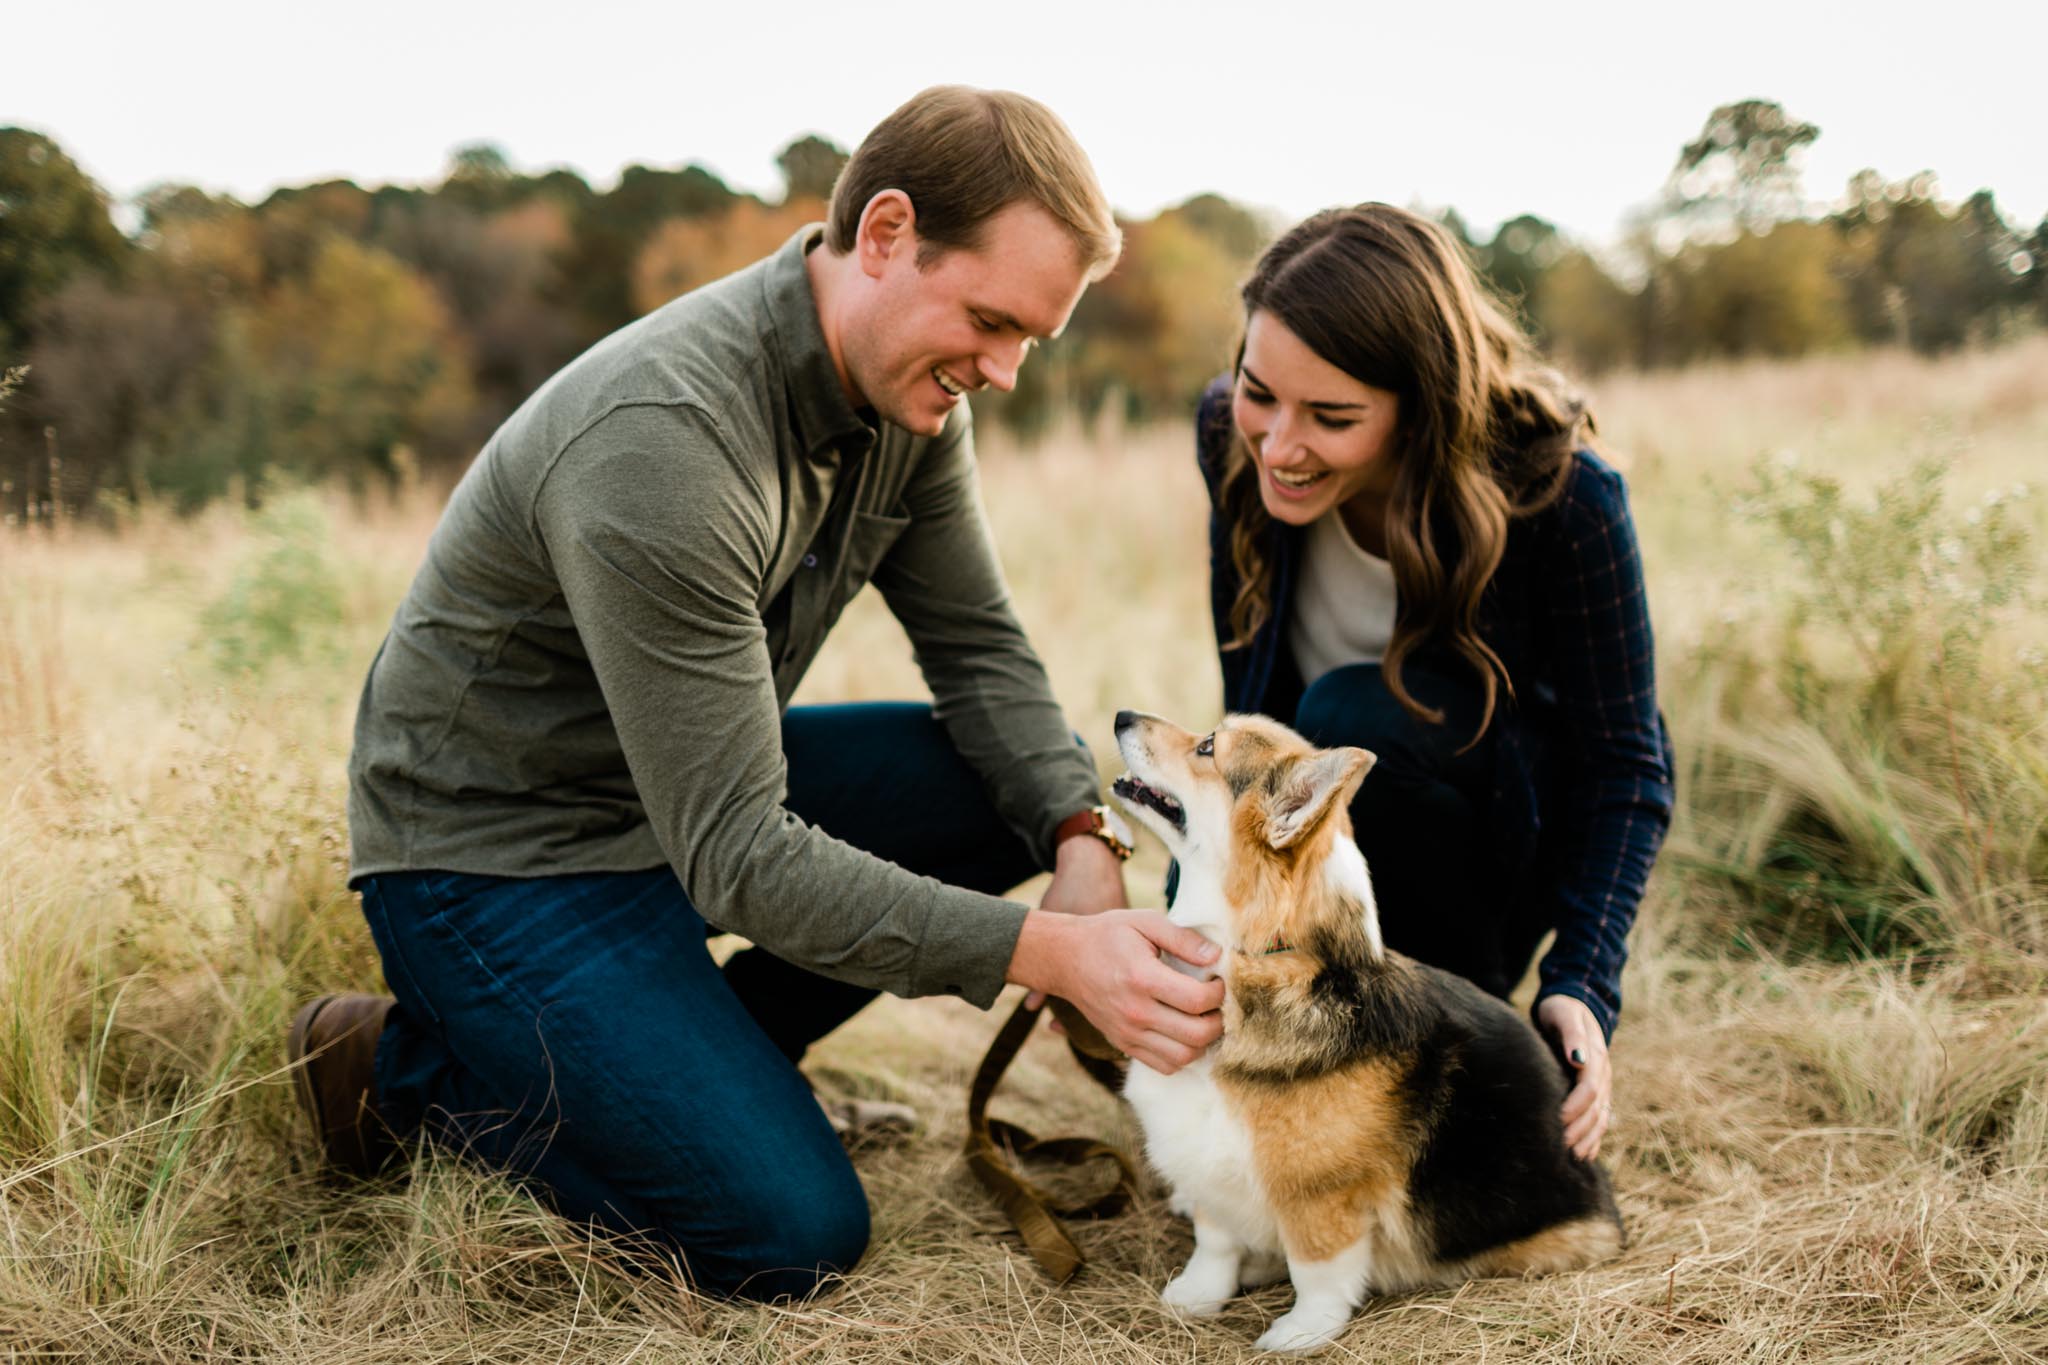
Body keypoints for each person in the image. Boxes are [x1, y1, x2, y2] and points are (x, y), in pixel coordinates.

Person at [288, 86, 1226, 1301]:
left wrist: (1075, 834)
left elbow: (977, 644)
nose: (999, 372)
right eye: (989, 322)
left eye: (1027, 343)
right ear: (885, 233)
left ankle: (710, 1065)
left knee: (1001, 787)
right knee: (785, 1234)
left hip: (669, 799)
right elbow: (736, 854)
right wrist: (1055, 954)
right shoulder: (664, 447)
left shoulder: (908, 397)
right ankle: (403, 1072)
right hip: (497, 859)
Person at [1192, 203, 1673, 1163]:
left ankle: (1444, 1026)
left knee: (1344, 714)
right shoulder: (1230, 438)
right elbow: (1256, 713)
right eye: (1260, 393)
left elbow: (1628, 767)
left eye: (1332, 417)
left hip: (1486, 852)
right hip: (1322, 834)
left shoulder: (1563, 498)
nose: (1279, 445)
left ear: (1422, 410)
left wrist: (1580, 979)